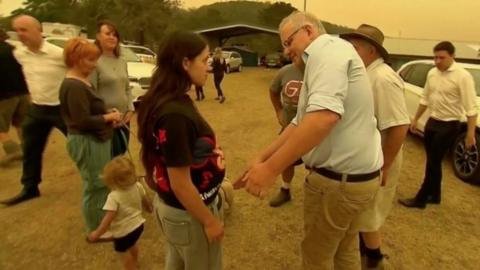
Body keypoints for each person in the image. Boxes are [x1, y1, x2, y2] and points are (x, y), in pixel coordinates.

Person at [235, 11, 383, 270]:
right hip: (354, 180)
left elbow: (323, 118)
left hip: (339, 183)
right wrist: (262, 159)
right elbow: (299, 123)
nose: (286, 52)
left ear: (309, 31)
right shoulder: (326, 59)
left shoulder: (327, 50)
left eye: (288, 42)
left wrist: (271, 170)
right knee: (343, 250)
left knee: (316, 257)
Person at [137, 30, 225, 270]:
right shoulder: (174, 114)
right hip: (189, 215)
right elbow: (181, 183)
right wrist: (209, 221)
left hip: (178, 211)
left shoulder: (166, 100)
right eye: (204, 60)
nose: (208, 67)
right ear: (185, 62)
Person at [341, 24, 410, 269]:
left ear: (371, 50)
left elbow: (399, 126)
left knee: (369, 214)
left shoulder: (383, 78)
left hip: (379, 159)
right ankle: (370, 255)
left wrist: (385, 165)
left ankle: (374, 259)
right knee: (363, 213)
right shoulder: (366, 73)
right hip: (367, 158)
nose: (349, 50)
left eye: (354, 46)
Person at [399, 41, 478, 209]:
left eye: (441, 57)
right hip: (432, 122)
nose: (437, 61)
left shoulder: (462, 76)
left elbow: (471, 108)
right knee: (432, 160)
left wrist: (470, 134)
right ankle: (435, 195)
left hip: (449, 125)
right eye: (435, 57)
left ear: (452, 56)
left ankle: (421, 199)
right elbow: (425, 98)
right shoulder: (432, 73)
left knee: (433, 162)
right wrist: (415, 119)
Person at [0, 15, 67, 206]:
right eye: (17, 30)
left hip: (61, 109)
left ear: (39, 31)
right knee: (30, 148)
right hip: (37, 108)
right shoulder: (19, 54)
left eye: (24, 30)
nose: (20, 34)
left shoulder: (58, 54)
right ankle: (30, 188)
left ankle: (101, 181)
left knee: (81, 145)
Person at [59, 37, 122, 236]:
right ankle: (96, 228)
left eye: (95, 59)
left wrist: (106, 113)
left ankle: (103, 221)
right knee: (95, 185)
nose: (95, 64)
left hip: (96, 140)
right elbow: (81, 120)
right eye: (90, 60)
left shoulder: (82, 81)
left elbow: (89, 111)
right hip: (87, 142)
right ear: (76, 59)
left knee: (101, 182)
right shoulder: (73, 86)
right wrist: (108, 116)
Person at [88, 156, 153, 270]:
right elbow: (146, 200)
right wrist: (149, 208)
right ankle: (135, 262)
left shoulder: (113, 197)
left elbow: (107, 220)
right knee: (132, 244)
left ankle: (131, 267)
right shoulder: (137, 186)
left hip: (123, 233)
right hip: (138, 226)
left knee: (123, 253)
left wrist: (96, 234)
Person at [91, 20, 134, 157]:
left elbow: (127, 88)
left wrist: (130, 109)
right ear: (98, 36)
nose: (112, 37)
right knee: (109, 161)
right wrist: (108, 115)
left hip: (124, 119)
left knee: (122, 156)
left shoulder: (122, 61)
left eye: (115, 35)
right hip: (107, 122)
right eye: (108, 34)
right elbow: (91, 93)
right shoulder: (93, 62)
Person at [268, 60, 304, 207]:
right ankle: (285, 190)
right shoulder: (285, 71)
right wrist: (279, 110)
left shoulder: (320, 70)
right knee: (287, 160)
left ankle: (317, 194)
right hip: (289, 127)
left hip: (313, 128)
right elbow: (273, 90)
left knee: (316, 164)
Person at [0, 28, 29, 166]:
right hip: (23, 92)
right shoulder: (14, 49)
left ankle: (12, 150)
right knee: (20, 123)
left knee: (1, 126)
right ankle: (28, 150)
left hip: (5, 95)